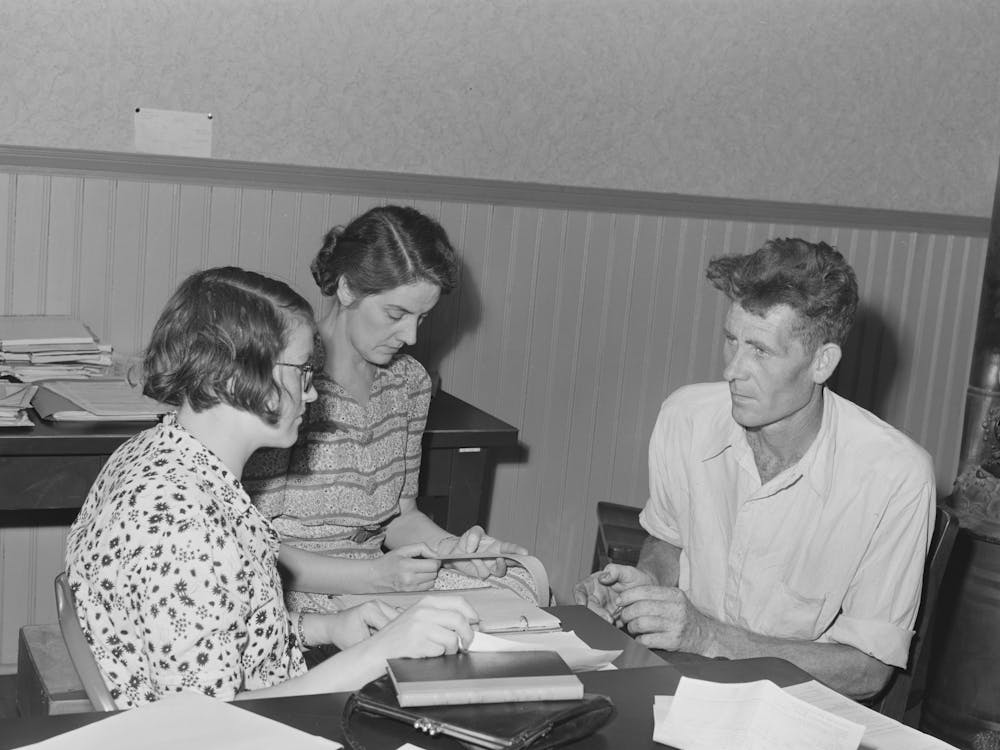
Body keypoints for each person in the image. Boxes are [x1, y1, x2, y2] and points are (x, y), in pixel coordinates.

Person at [65, 267, 478, 708]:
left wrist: (329, 626)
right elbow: (207, 730)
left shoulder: (157, 453)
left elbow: (222, 631)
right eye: (301, 371)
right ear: (232, 375)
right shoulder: (185, 526)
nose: (313, 393)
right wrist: (380, 652)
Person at [573, 238, 935, 700]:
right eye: (731, 341)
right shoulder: (686, 417)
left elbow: (865, 672)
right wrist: (646, 591)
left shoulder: (896, 475)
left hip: (802, 709)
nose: (733, 370)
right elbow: (668, 540)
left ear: (822, 362)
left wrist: (708, 636)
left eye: (761, 351)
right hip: (682, 683)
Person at [244, 205, 539, 613]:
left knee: (519, 589)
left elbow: (401, 518)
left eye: (422, 317)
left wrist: (455, 552)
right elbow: (255, 549)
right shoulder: (290, 381)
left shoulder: (407, 383)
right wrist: (374, 576)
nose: (411, 336)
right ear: (347, 289)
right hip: (295, 587)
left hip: (379, 575)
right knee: (441, 626)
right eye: (396, 314)